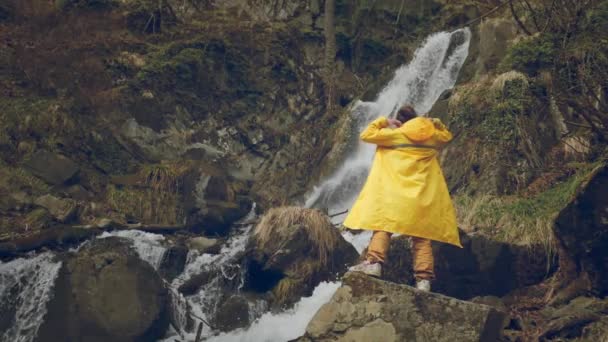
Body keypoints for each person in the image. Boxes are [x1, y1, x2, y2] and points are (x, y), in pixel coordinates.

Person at [343, 105, 461, 292]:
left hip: (395, 197)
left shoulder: (394, 136)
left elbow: (366, 134)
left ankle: (374, 263)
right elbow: (446, 135)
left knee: (383, 227)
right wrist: (434, 123)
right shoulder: (433, 138)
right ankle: (423, 280)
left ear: (400, 122)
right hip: (421, 198)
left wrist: (384, 121)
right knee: (422, 238)